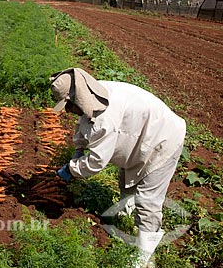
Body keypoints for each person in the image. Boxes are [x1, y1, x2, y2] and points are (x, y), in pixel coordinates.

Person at [50, 68, 186, 267]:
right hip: (141, 135)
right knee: (126, 180)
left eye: (68, 105)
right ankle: (126, 213)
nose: (68, 110)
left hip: (163, 139)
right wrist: (78, 150)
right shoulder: (92, 93)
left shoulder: (105, 117)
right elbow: (83, 124)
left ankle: (143, 256)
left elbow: (96, 162)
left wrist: (72, 169)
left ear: (76, 98)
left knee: (148, 200)